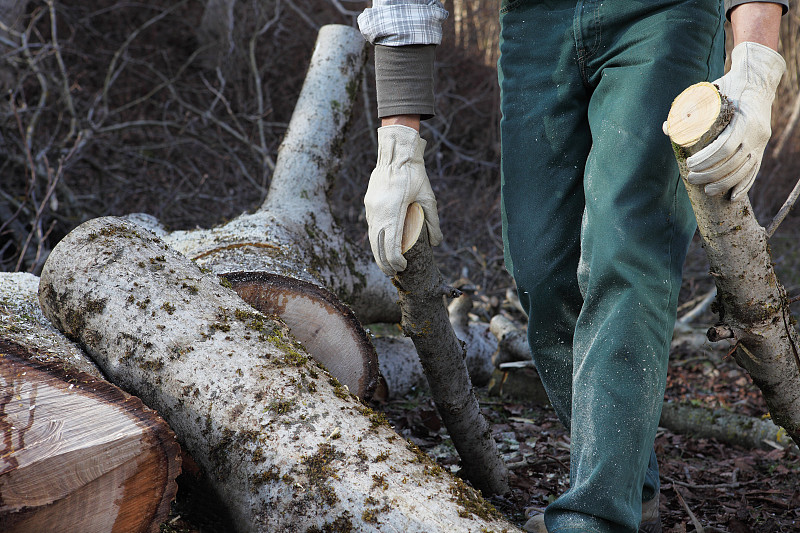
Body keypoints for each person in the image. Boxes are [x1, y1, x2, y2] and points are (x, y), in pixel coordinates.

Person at [358, 1, 787, 531]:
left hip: (663, 16)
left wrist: (755, 61)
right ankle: (631, 487)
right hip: (536, 24)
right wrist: (397, 141)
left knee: (626, 253)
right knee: (540, 269)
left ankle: (597, 516)